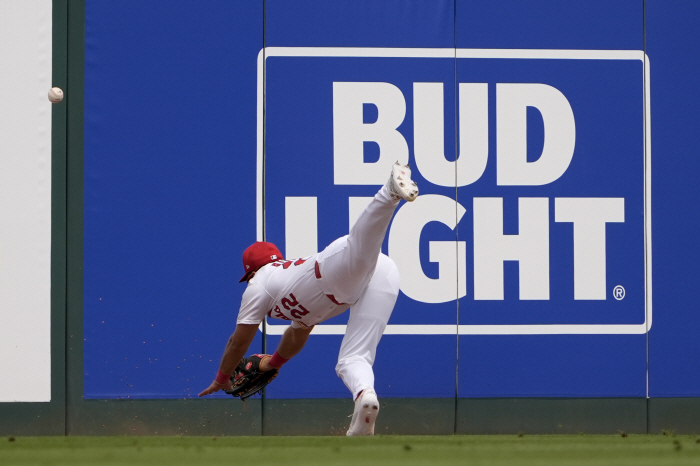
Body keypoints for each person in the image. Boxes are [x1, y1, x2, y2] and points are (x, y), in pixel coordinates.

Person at [198, 161, 418, 436]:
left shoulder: (260, 283)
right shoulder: (289, 292)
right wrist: (274, 362)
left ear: (252, 271)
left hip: (332, 269)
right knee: (352, 359)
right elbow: (298, 333)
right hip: (375, 277)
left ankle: (388, 193)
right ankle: (365, 396)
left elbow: (238, 342)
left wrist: (221, 378)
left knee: (360, 247)